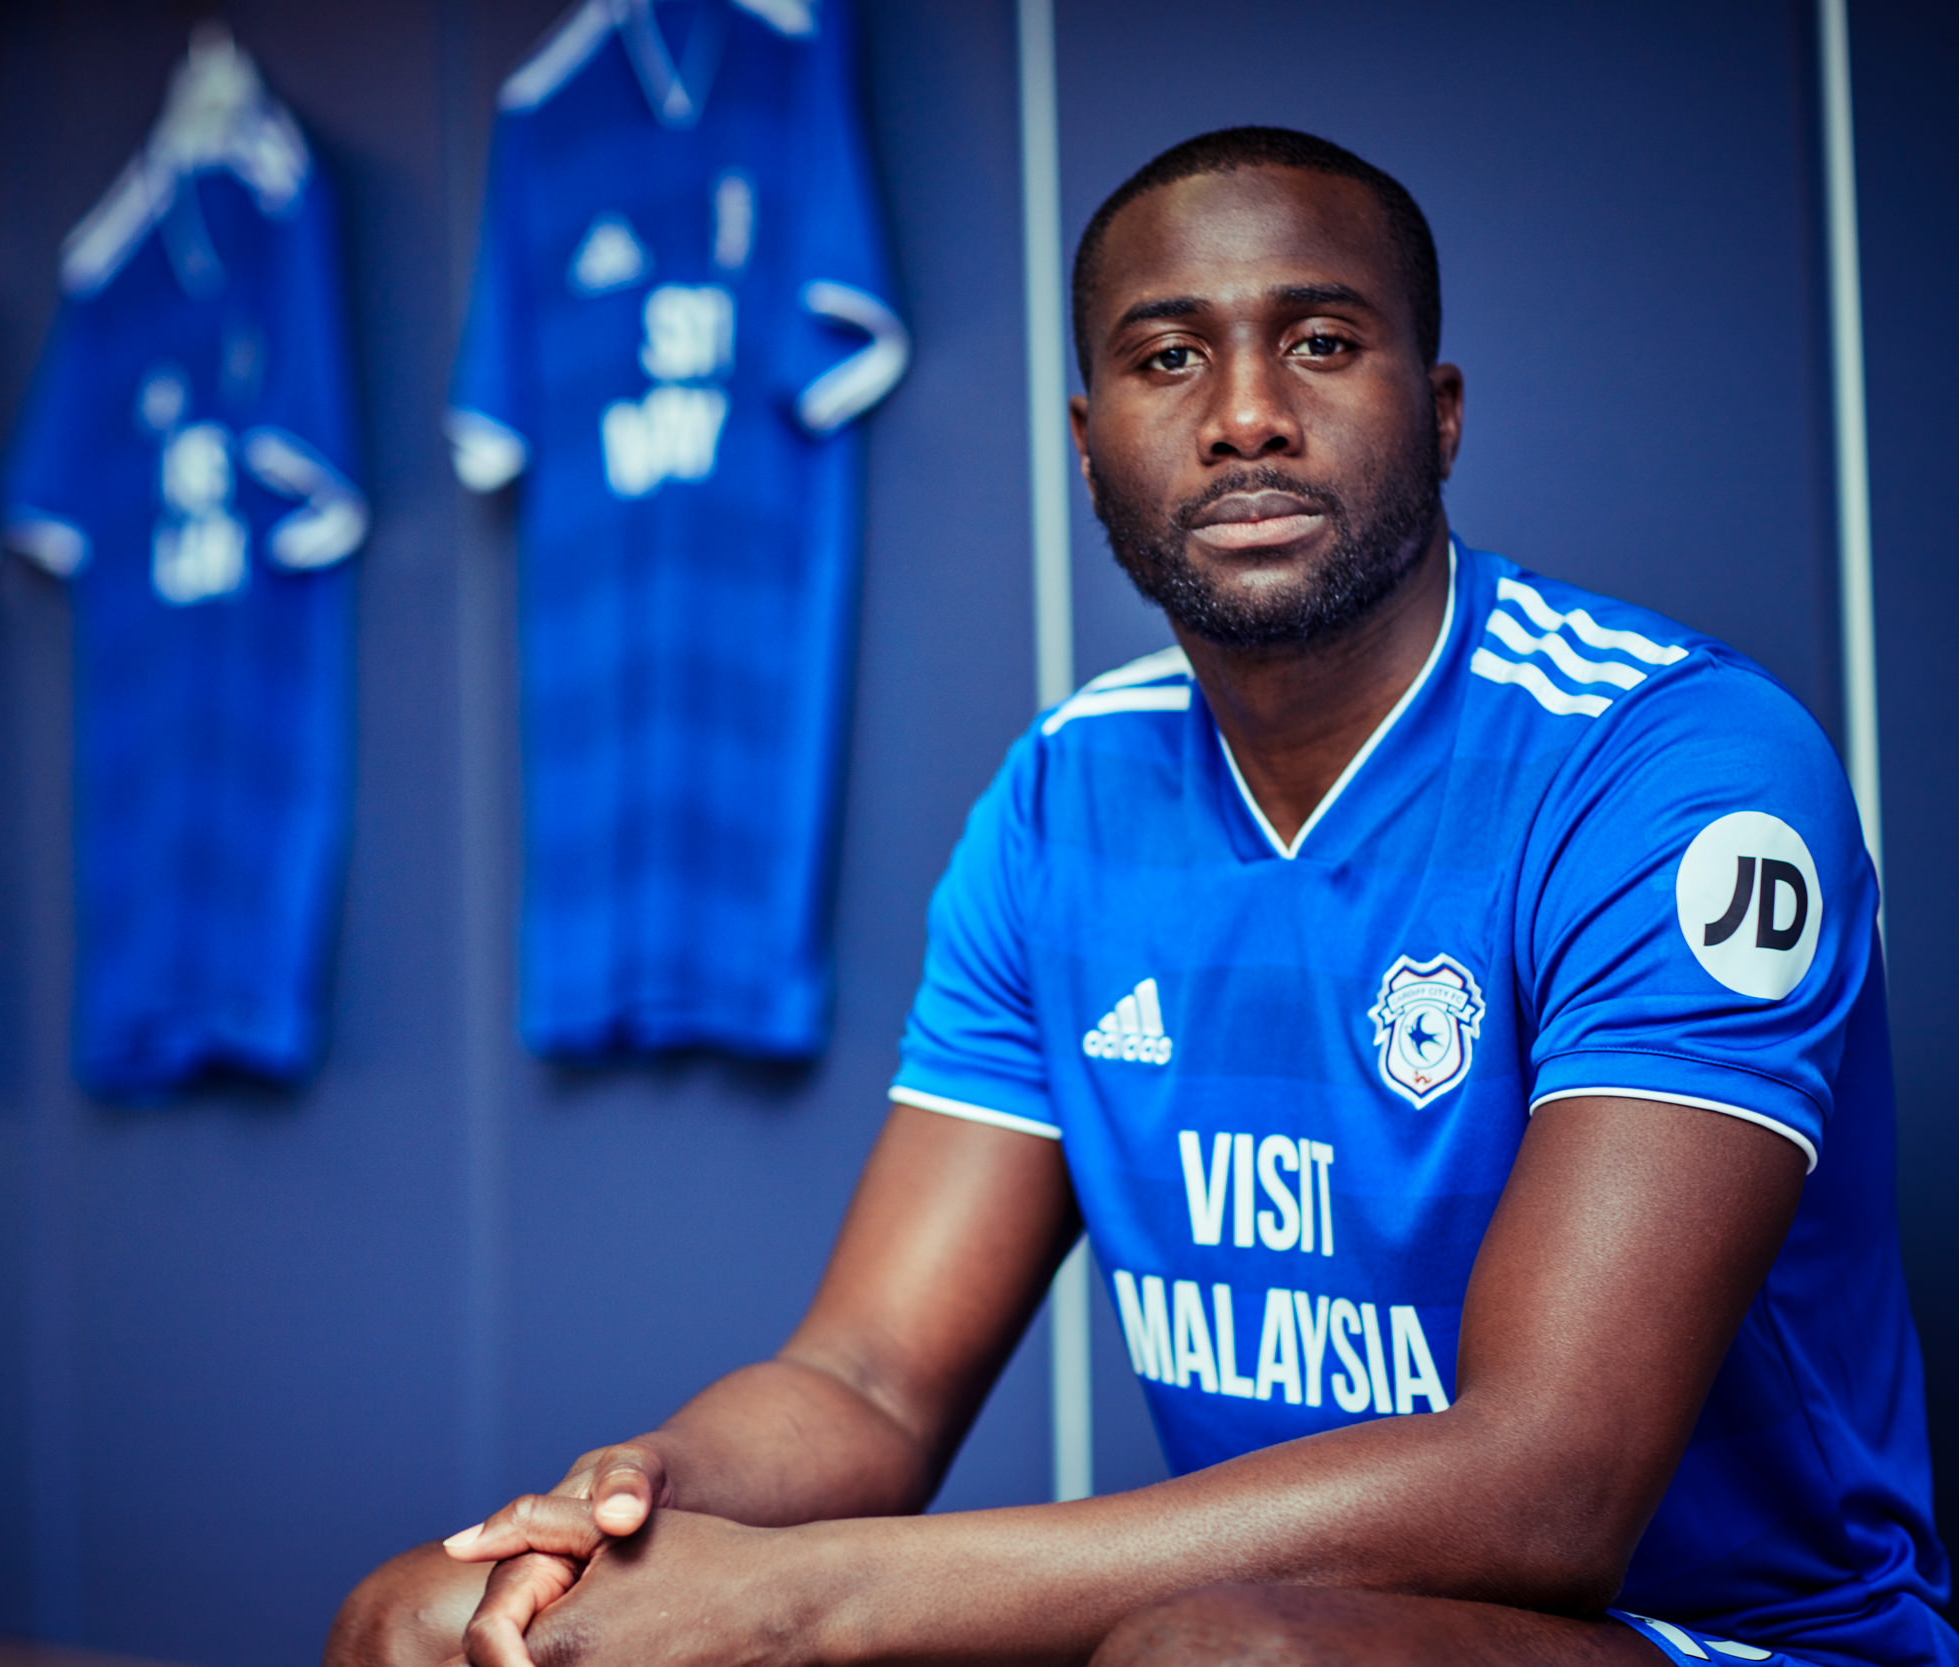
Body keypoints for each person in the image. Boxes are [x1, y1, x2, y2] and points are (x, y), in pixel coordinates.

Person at [328, 127, 1951, 1667]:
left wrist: (803, 1603)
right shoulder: (1064, 797)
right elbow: (869, 1378)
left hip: (1733, 1637)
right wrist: (637, 1506)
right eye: (1168, 358)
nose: (1245, 415)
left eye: (1320, 342)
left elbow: (1551, 1483)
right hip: (1240, 1622)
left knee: (1218, 1655)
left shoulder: (1672, 767)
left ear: (1441, 410)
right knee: (432, 1617)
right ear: (1090, 439)